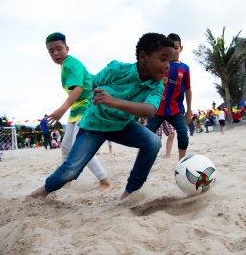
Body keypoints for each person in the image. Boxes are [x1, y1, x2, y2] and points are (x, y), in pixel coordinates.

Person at [29, 32, 174, 200]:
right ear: (143, 57)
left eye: (169, 61)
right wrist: (96, 103)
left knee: (153, 142)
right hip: (94, 125)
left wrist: (115, 102)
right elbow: (94, 82)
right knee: (71, 170)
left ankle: (129, 193)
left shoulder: (156, 86)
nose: (167, 66)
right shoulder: (117, 69)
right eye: (163, 59)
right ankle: (45, 189)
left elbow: (149, 110)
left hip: (122, 125)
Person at [43, 32, 112, 189]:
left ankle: (105, 182)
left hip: (87, 106)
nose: (55, 53)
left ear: (67, 48)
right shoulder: (64, 66)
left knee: (79, 147)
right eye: (51, 51)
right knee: (66, 146)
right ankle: (64, 180)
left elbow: (79, 88)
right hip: (76, 109)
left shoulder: (70, 63)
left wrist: (61, 110)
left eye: (58, 49)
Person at [146, 33, 192, 160]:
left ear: (181, 48)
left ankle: (182, 162)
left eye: (176, 48)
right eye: (171, 48)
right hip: (157, 109)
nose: (174, 51)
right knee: (146, 136)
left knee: (183, 134)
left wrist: (188, 111)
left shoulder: (185, 69)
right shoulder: (160, 64)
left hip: (176, 109)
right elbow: (150, 83)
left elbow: (188, 90)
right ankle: (139, 161)